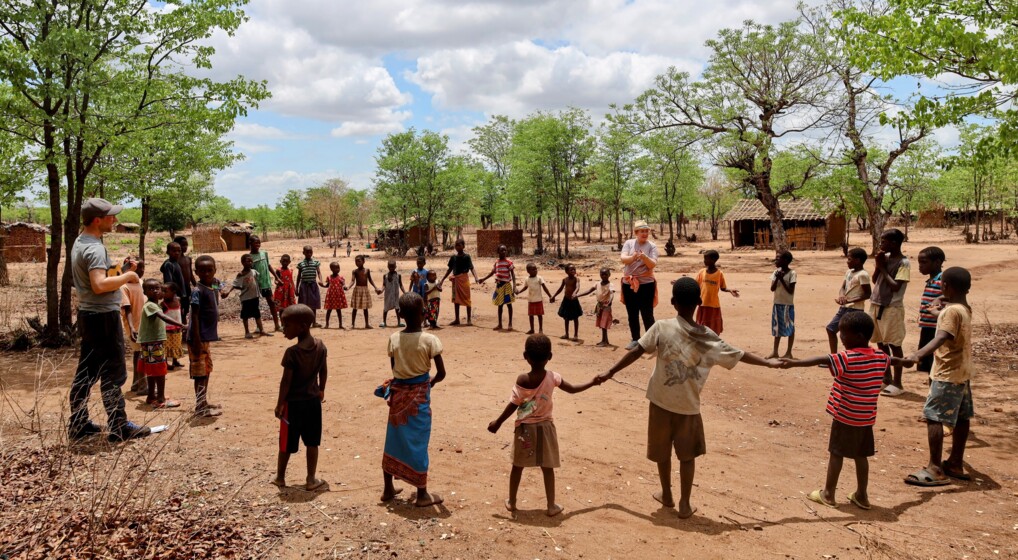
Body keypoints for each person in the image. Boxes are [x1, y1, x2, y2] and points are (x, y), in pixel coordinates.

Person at [598, 278, 778, 519]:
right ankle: (684, 503)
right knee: (687, 456)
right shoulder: (708, 337)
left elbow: (636, 351)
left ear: (673, 302)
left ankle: (666, 494)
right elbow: (739, 354)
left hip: (660, 401)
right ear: (699, 302)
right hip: (688, 407)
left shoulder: (661, 327)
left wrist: (610, 372)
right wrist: (767, 363)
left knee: (662, 453)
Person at [779, 312, 911, 509]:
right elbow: (893, 360)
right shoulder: (880, 357)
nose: (841, 339)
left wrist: (794, 363)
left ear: (857, 337)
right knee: (861, 456)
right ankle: (862, 495)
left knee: (836, 453)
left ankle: (829, 494)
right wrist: (907, 361)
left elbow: (821, 359)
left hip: (845, 415)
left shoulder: (847, 358)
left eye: (843, 335)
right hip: (866, 418)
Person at [488, 334, 602, 516]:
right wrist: (592, 382)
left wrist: (498, 422)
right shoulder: (553, 377)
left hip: (525, 429)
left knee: (518, 465)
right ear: (550, 356)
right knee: (547, 468)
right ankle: (551, 506)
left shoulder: (523, 379)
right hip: (546, 428)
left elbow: (513, 404)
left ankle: (512, 501)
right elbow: (572, 389)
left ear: (525, 356)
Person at [68, 198, 150, 442]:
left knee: (87, 371)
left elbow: (100, 277)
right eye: (110, 216)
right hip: (103, 317)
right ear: (97, 220)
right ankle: (119, 426)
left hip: (89, 315)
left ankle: (78, 423)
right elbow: (99, 284)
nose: (115, 220)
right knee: (113, 373)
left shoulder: (81, 241)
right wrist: (128, 276)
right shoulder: (94, 247)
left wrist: (119, 269)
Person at [904, 267, 974, 487]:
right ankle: (955, 462)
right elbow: (947, 323)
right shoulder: (963, 308)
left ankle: (935, 468)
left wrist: (918, 354)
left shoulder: (951, 312)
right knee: (962, 417)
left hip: (946, 372)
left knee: (934, 416)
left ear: (945, 287)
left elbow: (942, 335)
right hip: (962, 372)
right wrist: (938, 310)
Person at [378, 292, 446, 507]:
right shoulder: (430, 340)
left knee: (393, 439)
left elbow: (395, 370)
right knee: (418, 441)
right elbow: (441, 373)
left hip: (398, 395)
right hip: (419, 398)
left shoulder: (394, 338)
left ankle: (388, 488)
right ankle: (422, 493)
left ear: (399, 313)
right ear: (424, 312)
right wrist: (430, 383)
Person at [272, 304, 328, 491]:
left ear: (302, 326)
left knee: (286, 443)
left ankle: (280, 477)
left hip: (293, 405)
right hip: (313, 403)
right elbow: (324, 371)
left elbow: (285, 382)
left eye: (287, 325)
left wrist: (280, 404)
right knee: (313, 442)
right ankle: (311, 479)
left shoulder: (292, 353)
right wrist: (321, 390)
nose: (283, 330)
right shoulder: (321, 346)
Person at [869, 229, 910, 396]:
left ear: (894, 243)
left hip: (892, 307)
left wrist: (882, 268)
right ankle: (886, 378)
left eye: (884, 241)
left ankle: (898, 383)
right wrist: (879, 266)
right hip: (877, 304)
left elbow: (895, 286)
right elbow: (874, 280)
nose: (881, 244)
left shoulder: (904, 263)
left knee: (894, 344)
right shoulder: (884, 258)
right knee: (881, 343)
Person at [137, 279, 184, 409]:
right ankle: (161, 399)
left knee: (152, 370)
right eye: (151, 289)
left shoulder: (153, 305)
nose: (156, 291)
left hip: (150, 342)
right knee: (159, 371)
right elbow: (163, 317)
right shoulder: (151, 306)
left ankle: (151, 396)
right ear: (144, 292)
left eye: (158, 288)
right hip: (153, 343)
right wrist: (181, 325)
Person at [189, 255, 224, 417]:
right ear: (196, 272)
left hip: (204, 338)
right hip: (198, 338)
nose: (207, 273)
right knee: (200, 373)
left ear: (214, 270)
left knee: (206, 370)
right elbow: (194, 316)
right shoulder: (197, 291)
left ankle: (203, 402)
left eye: (210, 270)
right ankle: (200, 406)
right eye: (202, 271)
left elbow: (219, 285)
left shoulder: (211, 286)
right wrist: (196, 340)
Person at [619, 220, 659, 350]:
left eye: (646, 231)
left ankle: (650, 341)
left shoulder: (651, 246)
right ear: (636, 232)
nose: (645, 233)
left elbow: (652, 264)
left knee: (647, 313)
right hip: (629, 283)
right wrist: (633, 257)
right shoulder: (629, 243)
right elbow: (623, 258)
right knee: (632, 313)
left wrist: (644, 257)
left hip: (646, 284)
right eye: (642, 231)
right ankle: (635, 339)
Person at [826, 248, 871, 354]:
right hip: (845, 308)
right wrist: (841, 296)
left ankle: (850, 357)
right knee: (831, 329)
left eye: (850, 259)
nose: (847, 261)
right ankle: (834, 357)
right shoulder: (849, 272)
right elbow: (843, 287)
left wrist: (849, 300)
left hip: (855, 310)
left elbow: (868, 294)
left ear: (858, 260)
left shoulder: (863, 275)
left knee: (850, 335)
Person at [221, 253, 269, 339]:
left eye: (251, 261)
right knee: (245, 315)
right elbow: (235, 285)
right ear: (242, 262)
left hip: (255, 296)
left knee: (257, 314)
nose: (250, 263)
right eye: (248, 261)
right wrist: (228, 292)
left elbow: (257, 281)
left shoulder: (253, 272)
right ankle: (247, 332)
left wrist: (261, 289)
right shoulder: (241, 275)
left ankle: (262, 330)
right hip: (246, 298)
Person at [916, 247, 946, 376]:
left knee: (934, 362)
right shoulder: (931, 280)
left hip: (936, 328)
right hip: (927, 326)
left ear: (937, 262)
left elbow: (952, 295)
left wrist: (938, 300)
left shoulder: (942, 279)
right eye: (919, 263)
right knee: (928, 363)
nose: (920, 266)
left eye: (924, 262)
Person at [694, 250, 739, 334]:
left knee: (713, 328)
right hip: (702, 304)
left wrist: (730, 290)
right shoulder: (702, 272)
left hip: (713, 305)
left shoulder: (719, 274)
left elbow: (722, 288)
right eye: (704, 259)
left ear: (713, 260)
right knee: (701, 328)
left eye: (706, 259)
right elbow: (695, 284)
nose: (704, 261)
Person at [120, 260, 147, 394]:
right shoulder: (124, 287)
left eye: (143, 267)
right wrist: (131, 328)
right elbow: (127, 309)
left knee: (139, 353)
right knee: (141, 354)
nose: (141, 270)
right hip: (134, 325)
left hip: (144, 323)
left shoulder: (142, 283)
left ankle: (137, 383)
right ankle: (142, 385)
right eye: (138, 268)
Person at [440, 239, 480, 326]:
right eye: (456, 245)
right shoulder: (453, 258)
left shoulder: (467, 257)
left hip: (464, 279)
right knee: (456, 299)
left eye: (459, 245)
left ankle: (469, 319)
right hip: (456, 280)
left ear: (463, 246)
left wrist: (476, 278)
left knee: (467, 298)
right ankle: (457, 319)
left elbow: (472, 268)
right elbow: (449, 269)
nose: (457, 247)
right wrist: (442, 280)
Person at [550, 264, 593, 341]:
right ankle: (566, 334)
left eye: (574, 269)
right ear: (566, 272)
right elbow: (560, 289)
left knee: (575, 317)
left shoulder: (576, 279)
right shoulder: (565, 280)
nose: (573, 271)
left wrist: (575, 293)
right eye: (571, 270)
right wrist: (554, 296)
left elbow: (577, 287)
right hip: (566, 300)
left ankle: (575, 335)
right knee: (566, 317)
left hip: (573, 300)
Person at [479, 244, 517, 331]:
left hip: (507, 285)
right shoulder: (497, 262)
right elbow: (492, 272)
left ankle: (510, 323)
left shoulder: (509, 262)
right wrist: (483, 279)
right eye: (502, 250)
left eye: (505, 250)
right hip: (499, 286)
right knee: (500, 305)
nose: (504, 252)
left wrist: (514, 286)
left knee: (509, 304)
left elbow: (513, 275)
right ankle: (500, 324)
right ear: (498, 252)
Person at [249, 235, 282, 332]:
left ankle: (277, 325)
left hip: (266, 283)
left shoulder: (264, 253)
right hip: (256, 285)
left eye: (259, 243)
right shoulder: (249, 257)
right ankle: (259, 327)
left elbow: (268, 266)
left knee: (271, 303)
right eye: (256, 243)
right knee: (256, 305)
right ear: (250, 244)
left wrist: (277, 277)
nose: (258, 245)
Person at [768, 250, 797, 359]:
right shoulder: (776, 272)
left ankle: (789, 352)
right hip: (777, 303)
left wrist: (782, 279)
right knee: (777, 328)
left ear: (785, 261)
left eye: (778, 258)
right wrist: (777, 278)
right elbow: (772, 288)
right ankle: (775, 351)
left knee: (790, 327)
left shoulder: (792, 273)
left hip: (787, 305)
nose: (776, 260)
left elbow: (790, 291)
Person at [517, 263, 552, 335]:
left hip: (538, 300)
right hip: (531, 300)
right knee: (531, 315)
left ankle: (540, 329)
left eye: (536, 269)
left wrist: (550, 296)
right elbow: (525, 287)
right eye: (533, 269)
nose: (535, 270)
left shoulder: (539, 278)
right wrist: (519, 292)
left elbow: (544, 288)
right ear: (528, 271)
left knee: (539, 315)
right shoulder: (527, 279)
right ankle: (532, 329)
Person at [350, 254, 382, 329]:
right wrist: (348, 286)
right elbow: (352, 281)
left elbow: (370, 280)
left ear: (363, 261)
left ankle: (367, 324)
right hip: (357, 290)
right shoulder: (354, 271)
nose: (357, 263)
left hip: (365, 290)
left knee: (365, 308)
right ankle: (352, 324)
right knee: (355, 308)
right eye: (356, 261)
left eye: (359, 261)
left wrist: (376, 287)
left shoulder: (367, 270)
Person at [296, 246, 323, 327]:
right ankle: (303, 323)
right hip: (304, 286)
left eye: (310, 252)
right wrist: (296, 288)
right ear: (303, 253)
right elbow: (298, 276)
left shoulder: (315, 263)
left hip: (313, 285)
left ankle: (314, 322)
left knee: (313, 305)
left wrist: (320, 280)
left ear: (312, 252)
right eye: (307, 252)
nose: (309, 254)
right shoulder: (301, 264)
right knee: (304, 305)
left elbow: (319, 272)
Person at [161, 282, 185, 371]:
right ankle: (166, 363)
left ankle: (175, 361)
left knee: (177, 344)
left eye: (165, 291)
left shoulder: (178, 300)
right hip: (167, 329)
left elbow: (180, 312)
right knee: (167, 346)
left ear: (173, 292)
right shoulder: (163, 304)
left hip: (177, 328)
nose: (163, 293)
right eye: (162, 291)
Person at [173, 235, 195, 323]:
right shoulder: (174, 261)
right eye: (183, 245)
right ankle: (182, 325)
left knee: (186, 308)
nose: (185, 247)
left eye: (186, 245)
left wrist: (196, 285)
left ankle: (184, 324)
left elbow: (191, 274)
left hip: (187, 288)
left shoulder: (188, 259)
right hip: (178, 288)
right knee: (179, 308)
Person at [593, 267, 616, 347]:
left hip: (606, 307)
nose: (604, 276)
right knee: (602, 324)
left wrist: (610, 301)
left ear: (609, 275)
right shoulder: (597, 284)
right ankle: (604, 340)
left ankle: (605, 341)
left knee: (604, 324)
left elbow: (612, 294)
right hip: (599, 306)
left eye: (605, 274)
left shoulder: (611, 285)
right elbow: (589, 290)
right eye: (602, 274)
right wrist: (578, 295)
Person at [322, 261, 348, 329]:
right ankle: (327, 324)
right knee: (329, 310)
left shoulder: (341, 278)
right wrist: (322, 285)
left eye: (338, 268)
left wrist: (345, 287)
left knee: (338, 310)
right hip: (331, 296)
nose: (337, 269)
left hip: (338, 296)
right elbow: (327, 285)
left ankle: (340, 324)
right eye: (335, 268)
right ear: (331, 269)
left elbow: (344, 284)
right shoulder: (329, 277)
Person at [381, 259, 406, 328]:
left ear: (395, 266)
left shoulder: (398, 275)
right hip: (388, 295)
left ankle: (399, 322)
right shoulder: (385, 276)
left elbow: (401, 285)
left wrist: (405, 292)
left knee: (397, 308)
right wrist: (381, 290)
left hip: (395, 295)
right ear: (387, 267)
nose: (391, 268)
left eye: (393, 267)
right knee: (386, 308)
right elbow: (384, 285)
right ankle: (384, 322)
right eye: (390, 267)